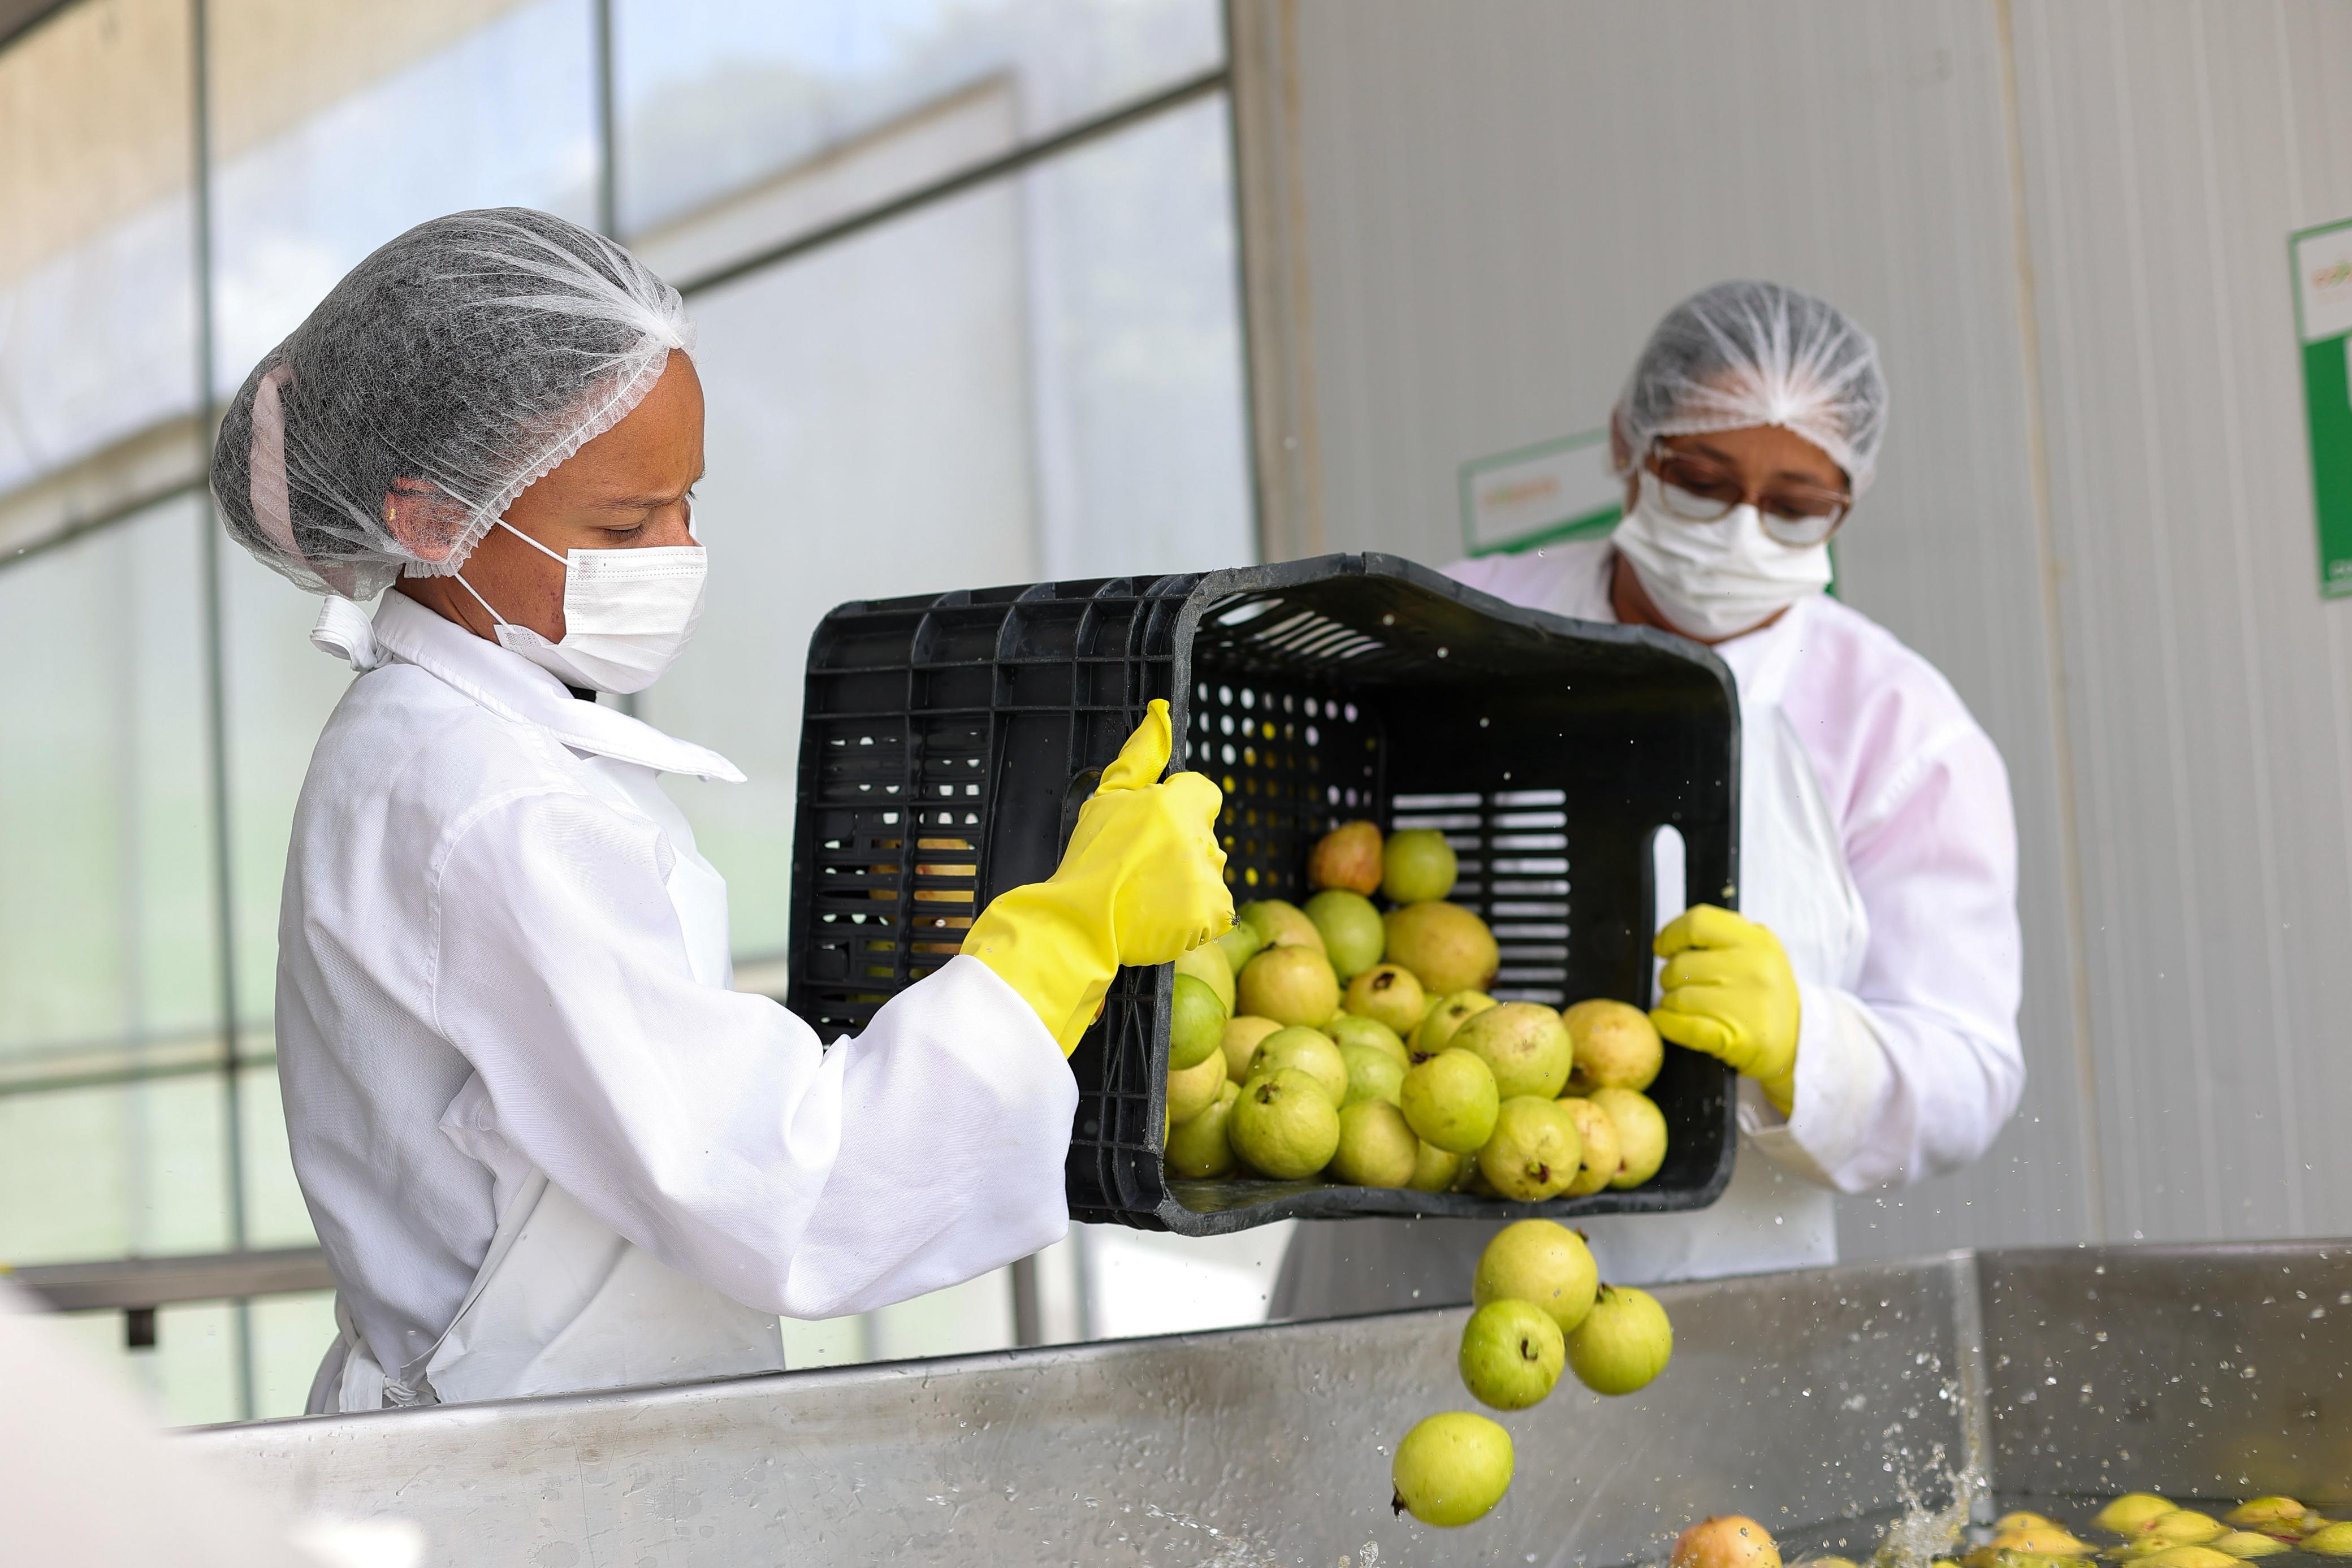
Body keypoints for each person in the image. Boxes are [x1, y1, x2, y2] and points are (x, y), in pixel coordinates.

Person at [210, 208, 1233, 1411]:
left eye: (686, 501)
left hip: (554, 1431)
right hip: (537, 1460)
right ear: (431, 519)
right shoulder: (489, 802)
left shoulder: (449, 742)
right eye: (623, 524)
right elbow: (789, 1191)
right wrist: (1064, 937)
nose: (678, 550)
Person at [1273, 279, 2024, 1313]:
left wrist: (1809, 1047)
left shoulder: (1898, 729)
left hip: (1701, 1312)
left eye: (1796, 505)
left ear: (1847, 502)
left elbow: (1970, 1069)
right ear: (1629, 444)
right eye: (1702, 481)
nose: (1741, 530)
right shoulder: (1463, 626)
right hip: (1389, 1280)